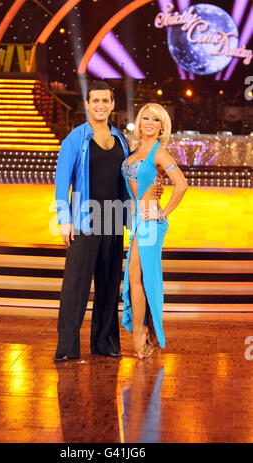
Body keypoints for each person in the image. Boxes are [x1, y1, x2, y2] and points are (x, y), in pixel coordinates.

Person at [53, 81, 163, 362]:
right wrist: (64, 219)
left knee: (108, 284)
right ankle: (67, 348)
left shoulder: (122, 140)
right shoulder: (75, 139)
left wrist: (153, 190)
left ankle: (105, 343)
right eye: (95, 101)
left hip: (114, 219)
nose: (101, 105)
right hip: (84, 219)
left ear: (113, 105)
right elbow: (61, 181)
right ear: (87, 104)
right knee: (75, 286)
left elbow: (129, 177)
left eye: (106, 101)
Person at [121, 103, 188, 359]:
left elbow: (181, 185)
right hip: (138, 222)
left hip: (151, 222)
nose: (149, 122)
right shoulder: (135, 152)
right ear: (139, 123)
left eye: (156, 119)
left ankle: (141, 333)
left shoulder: (160, 154)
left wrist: (163, 212)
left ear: (162, 127)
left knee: (139, 277)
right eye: (145, 117)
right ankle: (143, 331)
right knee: (135, 277)